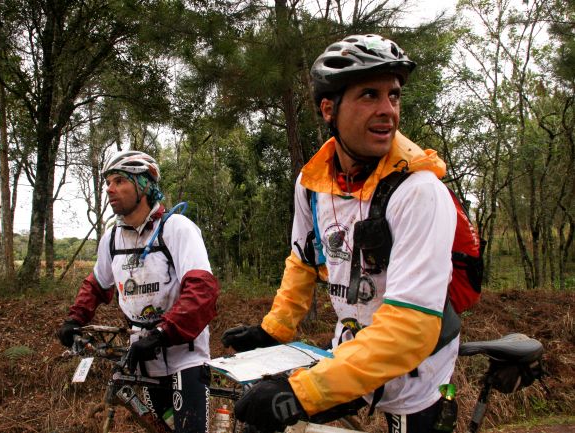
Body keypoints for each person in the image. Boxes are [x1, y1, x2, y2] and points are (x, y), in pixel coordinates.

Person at [222, 34, 459, 433]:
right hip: (350, 355)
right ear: (329, 109)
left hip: (417, 371)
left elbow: (409, 328)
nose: (388, 111)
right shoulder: (311, 184)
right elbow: (303, 261)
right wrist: (273, 329)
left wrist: (301, 392)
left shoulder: (420, 192)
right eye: (370, 95)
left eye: (394, 95)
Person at [57, 150, 220, 433]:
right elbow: (96, 284)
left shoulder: (177, 229)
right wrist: (74, 320)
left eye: (119, 180)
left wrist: (162, 334)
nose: (110, 188)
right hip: (144, 357)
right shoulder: (112, 239)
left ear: (144, 185)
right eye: (108, 181)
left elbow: (201, 292)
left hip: (185, 356)